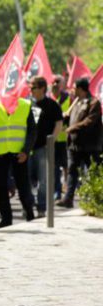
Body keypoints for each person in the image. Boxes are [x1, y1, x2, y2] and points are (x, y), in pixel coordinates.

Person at [0, 92, 36, 227]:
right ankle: (6, 218)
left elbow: (32, 131)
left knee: (23, 185)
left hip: (19, 153)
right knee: (1, 187)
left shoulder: (25, 105)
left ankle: (29, 213)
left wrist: (26, 151)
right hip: (0, 153)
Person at [57, 78, 102, 208]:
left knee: (93, 172)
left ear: (81, 89)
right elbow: (70, 119)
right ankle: (68, 199)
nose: (72, 90)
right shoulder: (76, 102)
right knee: (72, 171)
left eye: (74, 88)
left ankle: (97, 200)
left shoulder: (94, 103)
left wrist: (72, 128)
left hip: (90, 145)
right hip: (74, 145)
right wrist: (65, 118)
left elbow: (89, 121)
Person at [27, 76, 62, 217]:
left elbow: (58, 124)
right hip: (27, 148)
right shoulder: (26, 104)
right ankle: (28, 205)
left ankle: (41, 207)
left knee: (43, 180)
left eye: (33, 88)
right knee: (27, 179)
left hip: (43, 147)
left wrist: (51, 141)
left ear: (42, 88)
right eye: (30, 87)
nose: (30, 90)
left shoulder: (52, 105)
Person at [49, 75, 71, 200]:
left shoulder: (68, 98)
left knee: (66, 165)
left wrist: (67, 118)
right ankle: (57, 190)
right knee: (55, 166)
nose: (55, 87)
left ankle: (67, 185)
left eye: (57, 84)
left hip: (65, 138)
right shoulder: (48, 99)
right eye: (53, 85)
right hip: (52, 139)